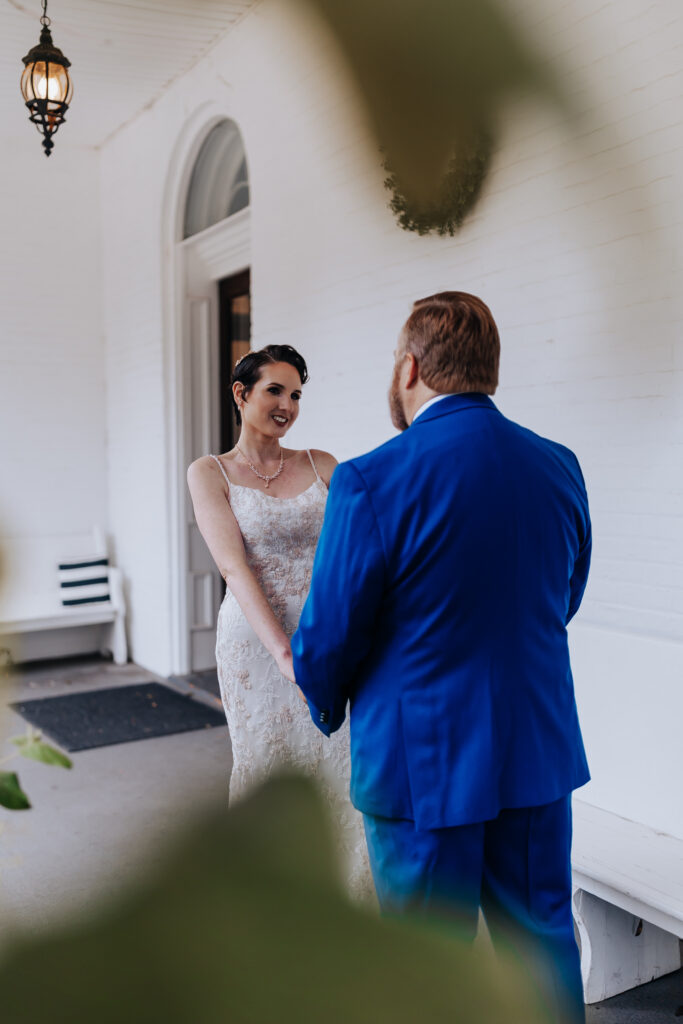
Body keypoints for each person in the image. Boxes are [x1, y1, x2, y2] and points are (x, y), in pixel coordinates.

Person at [291, 293, 592, 1022]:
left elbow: (329, 633)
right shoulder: (558, 466)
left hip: (421, 758)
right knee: (541, 937)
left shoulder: (370, 479)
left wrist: (326, 700)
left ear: (409, 368)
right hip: (536, 747)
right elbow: (564, 596)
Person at [187, 344, 372, 899]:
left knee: (337, 765)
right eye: (275, 390)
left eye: (296, 394)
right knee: (268, 768)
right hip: (255, 647)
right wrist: (284, 654)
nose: (288, 405)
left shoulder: (323, 464)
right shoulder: (209, 472)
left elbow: (361, 552)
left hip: (326, 639)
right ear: (241, 394)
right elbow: (233, 568)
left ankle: (349, 900)